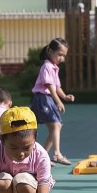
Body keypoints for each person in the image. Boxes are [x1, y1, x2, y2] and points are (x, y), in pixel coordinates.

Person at [31, 38, 75, 166]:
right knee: (55, 125)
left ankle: (43, 156)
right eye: (59, 54)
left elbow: (57, 87)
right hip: (42, 99)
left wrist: (65, 97)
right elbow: (49, 86)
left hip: (48, 99)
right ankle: (56, 154)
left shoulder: (54, 67)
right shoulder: (47, 66)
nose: (62, 58)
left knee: (56, 126)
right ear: (50, 51)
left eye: (64, 56)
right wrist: (58, 102)